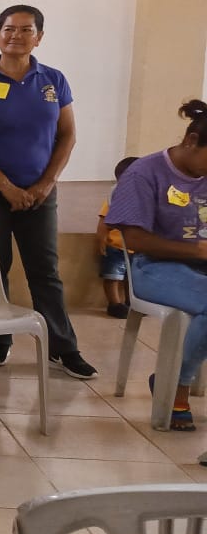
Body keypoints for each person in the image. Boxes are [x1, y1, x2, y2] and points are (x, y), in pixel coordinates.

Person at [0, 4, 97, 380]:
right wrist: (6, 187)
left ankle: (63, 347)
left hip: (39, 192)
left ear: (39, 37)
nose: (16, 36)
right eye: (8, 29)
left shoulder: (54, 81)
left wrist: (45, 184)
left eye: (25, 29)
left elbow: (67, 135)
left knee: (45, 270)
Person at [106, 101, 207, 431]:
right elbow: (135, 238)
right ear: (191, 141)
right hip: (154, 268)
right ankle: (175, 384)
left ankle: (173, 378)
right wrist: (196, 250)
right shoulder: (144, 173)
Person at [96, 156, 139, 319]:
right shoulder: (115, 198)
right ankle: (114, 304)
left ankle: (132, 302)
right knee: (112, 276)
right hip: (115, 246)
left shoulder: (145, 199)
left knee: (132, 279)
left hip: (137, 248)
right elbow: (103, 221)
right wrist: (101, 240)